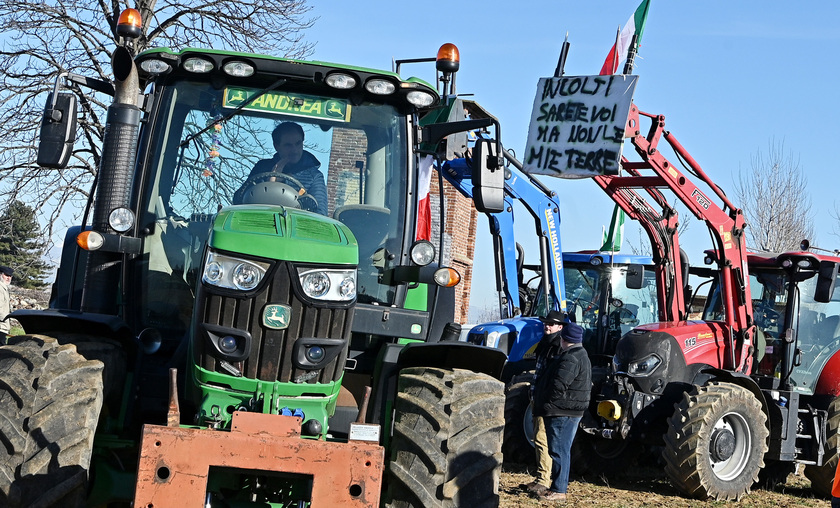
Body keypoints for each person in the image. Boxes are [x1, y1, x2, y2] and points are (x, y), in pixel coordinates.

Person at [532, 321, 591, 502]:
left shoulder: (571, 358)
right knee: (561, 450)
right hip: (568, 410)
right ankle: (557, 487)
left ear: (566, 339)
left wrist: (548, 402)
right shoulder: (579, 355)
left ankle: (559, 490)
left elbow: (558, 385)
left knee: (559, 450)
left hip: (562, 411)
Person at [234, 122, 328, 215]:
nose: (294, 150)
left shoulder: (314, 176)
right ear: (276, 146)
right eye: (288, 145)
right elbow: (239, 200)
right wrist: (271, 180)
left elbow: (320, 213)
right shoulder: (262, 167)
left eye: (298, 143)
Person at [525, 310, 567, 496]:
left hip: (547, 400)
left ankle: (543, 479)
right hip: (538, 397)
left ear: (560, 327)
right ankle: (541, 477)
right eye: (545, 323)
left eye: (551, 324)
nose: (547, 326)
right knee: (539, 437)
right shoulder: (544, 344)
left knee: (543, 439)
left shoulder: (558, 346)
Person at [0, 266, 12, 344]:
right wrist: (6, 318)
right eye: (6, 275)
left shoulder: (4, 288)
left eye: (10, 276)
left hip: (3, 327)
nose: (8, 278)